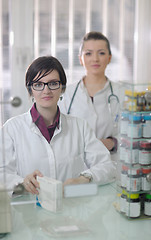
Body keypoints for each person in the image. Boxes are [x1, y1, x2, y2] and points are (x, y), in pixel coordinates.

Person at [0, 56, 116, 196]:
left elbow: (107, 167)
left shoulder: (80, 127)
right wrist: (22, 183)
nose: (46, 90)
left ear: (62, 88)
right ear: (30, 90)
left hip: (72, 211)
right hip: (29, 210)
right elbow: (2, 173)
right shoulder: (11, 129)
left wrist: (84, 179)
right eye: (38, 84)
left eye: (53, 83)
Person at [58, 31, 120, 159]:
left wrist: (112, 142)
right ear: (80, 59)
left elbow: (132, 133)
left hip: (111, 163)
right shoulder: (66, 95)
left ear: (109, 58)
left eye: (101, 53)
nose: (95, 59)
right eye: (88, 53)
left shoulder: (122, 93)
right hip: (76, 165)